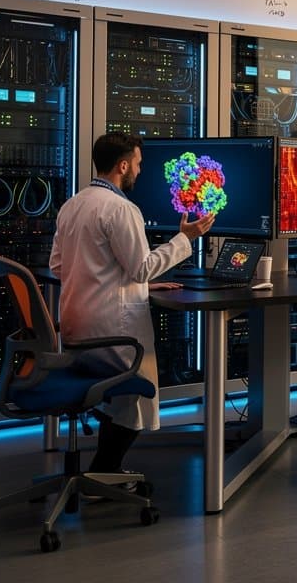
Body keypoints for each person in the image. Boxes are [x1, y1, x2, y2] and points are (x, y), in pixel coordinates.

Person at [50, 133, 216, 480]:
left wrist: (131, 282)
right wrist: (185, 238)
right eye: (138, 164)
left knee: (119, 396)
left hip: (76, 331)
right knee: (138, 397)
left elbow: (59, 268)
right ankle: (104, 474)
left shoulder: (73, 204)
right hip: (113, 334)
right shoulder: (122, 208)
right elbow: (141, 267)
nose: (139, 171)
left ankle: (102, 471)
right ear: (123, 165)